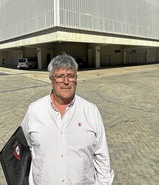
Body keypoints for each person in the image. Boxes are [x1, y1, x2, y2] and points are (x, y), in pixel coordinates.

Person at [21, 53, 114, 185]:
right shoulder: (35, 110)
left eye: (70, 76)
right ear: (51, 79)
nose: (66, 81)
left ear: (76, 79)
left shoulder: (91, 111)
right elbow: (22, 148)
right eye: (60, 76)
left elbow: (102, 155)